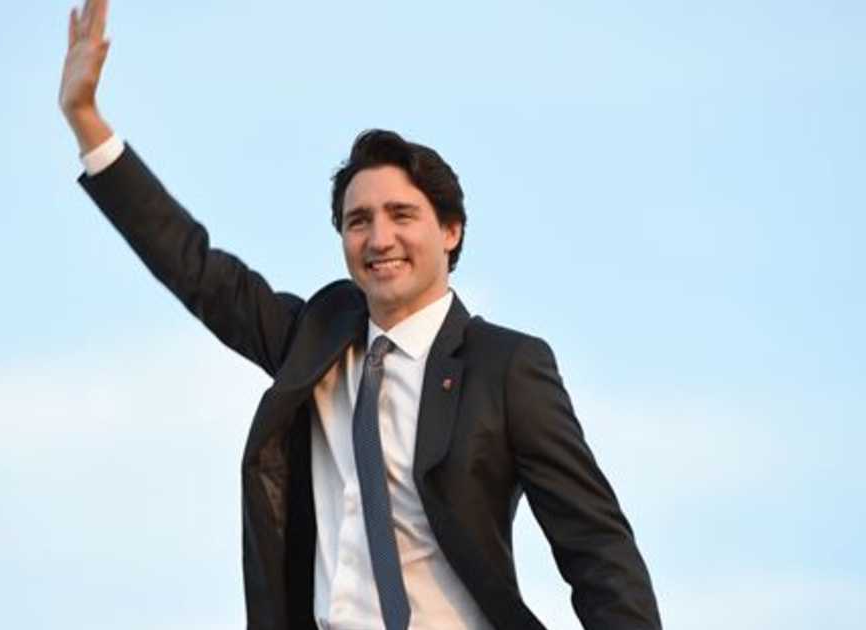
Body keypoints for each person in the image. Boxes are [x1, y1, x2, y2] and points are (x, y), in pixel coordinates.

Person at [59, 1, 662, 628]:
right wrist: (86, 122)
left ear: (450, 230)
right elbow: (196, 270)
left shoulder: (505, 367)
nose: (379, 239)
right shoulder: (314, 343)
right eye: (358, 221)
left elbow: (597, 548)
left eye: (402, 215)